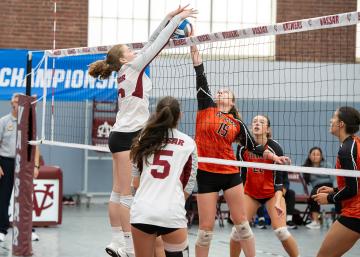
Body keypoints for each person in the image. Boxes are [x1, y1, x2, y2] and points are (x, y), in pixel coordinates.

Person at [88, 6, 197, 257]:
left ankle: (117, 240)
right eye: (129, 50)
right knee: (126, 196)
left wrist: (168, 17)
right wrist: (177, 21)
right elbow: (156, 44)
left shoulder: (127, 69)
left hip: (118, 136)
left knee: (117, 192)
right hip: (128, 137)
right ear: (125, 59)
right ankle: (127, 246)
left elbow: (149, 43)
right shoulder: (134, 68)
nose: (134, 51)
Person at [190, 38, 290, 257]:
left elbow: (256, 147)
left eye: (225, 91)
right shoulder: (206, 106)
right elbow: (199, 72)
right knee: (205, 231)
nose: (220, 92)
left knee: (242, 225)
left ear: (232, 101)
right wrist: (192, 43)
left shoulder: (237, 125)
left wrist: (276, 159)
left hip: (230, 174)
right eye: (219, 91)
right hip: (206, 173)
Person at [129, 96, 198, 257]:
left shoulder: (143, 138)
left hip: (142, 212)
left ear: (157, 113)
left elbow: (135, 184)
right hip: (172, 213)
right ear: (180, 115)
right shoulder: (188, 143)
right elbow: (189, 185)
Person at [230, 115, 299, 257]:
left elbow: (279, 180)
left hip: (271, 194)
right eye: (254, 122)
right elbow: (241, 177)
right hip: (250, 194)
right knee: (237, 231)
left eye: (261, 122)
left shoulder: (275, 148)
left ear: (267, 129)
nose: (257, 124)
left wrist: (279, 202)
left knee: (281, 231)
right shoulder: (243, 148)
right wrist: (237, 202)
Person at [313, 106, 360, 257]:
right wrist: (334, 190)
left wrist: (329, 198)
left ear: (341, 124)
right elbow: (354, 184)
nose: (330, 120)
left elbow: (353, 189)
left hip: (355, 213)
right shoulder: (353, 144)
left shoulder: (347, 150)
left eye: (334, 117)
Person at [0, 93, 19, 242]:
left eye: (19, 100)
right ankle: (2, 229)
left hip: (23, 164)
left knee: (25, 197)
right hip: (6, 162)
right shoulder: (4, 122)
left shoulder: (27, 122)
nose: (17, 103)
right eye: (15, 100)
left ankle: (28, 229)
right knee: (4, 197)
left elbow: (35, 145)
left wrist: (35, 165)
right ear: (12, 103)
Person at [303, 147, 334, 229]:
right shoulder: (306, 167)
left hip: (328, 186)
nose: (315, 156)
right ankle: (315, 222)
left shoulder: (328, 165)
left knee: (339, 194)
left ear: (321, 156)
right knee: (314, 194)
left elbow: (333, 179)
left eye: (318, 154)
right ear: (309, 156)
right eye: (313, 154)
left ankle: (338, 220)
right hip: (317, 188)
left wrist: (335, 189)